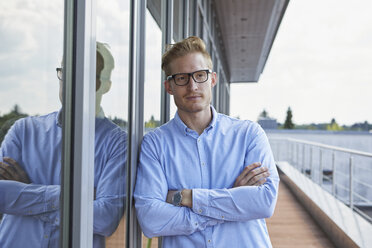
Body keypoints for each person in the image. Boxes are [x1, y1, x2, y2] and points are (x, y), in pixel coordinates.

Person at [134, 36, 279, 247]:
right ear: (169, 87)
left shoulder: (249, 134)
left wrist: (187, 197)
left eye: (199, 75)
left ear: (212, 79)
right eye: (182, 78)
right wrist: (232, 198)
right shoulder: (155, 145)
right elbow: (150, 220)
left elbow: (264, 202)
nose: (192, 86)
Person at [0, 42, 127, 248]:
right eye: (67, 71)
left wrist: (26, 190)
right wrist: (78, 195)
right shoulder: (23, 131)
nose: (73, 80)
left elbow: (105, 219)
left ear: (105, 85)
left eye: (87, 74)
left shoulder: (117, 143)